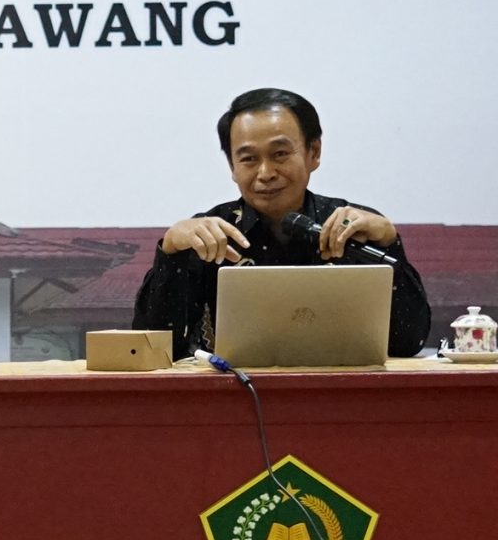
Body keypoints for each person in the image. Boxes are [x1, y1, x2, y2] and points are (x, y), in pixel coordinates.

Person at [131, 87, 433, 361]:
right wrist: (170, 252)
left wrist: (388, 241)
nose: (265, 173)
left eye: (280, 154)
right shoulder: (210, 236)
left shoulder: (351, 227)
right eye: (248, 159)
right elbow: (155, 349)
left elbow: (408, 342)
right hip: (233, 395)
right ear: (232, 167)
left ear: (314, 152)